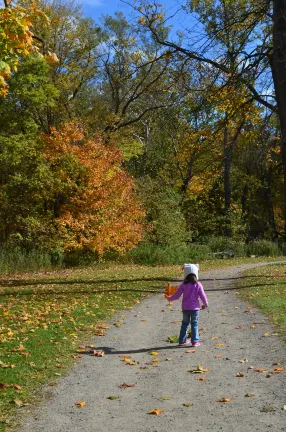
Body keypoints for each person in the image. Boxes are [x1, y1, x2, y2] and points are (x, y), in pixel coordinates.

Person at [166, 264, 208, 347]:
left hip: (185, 308)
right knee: (194, 324)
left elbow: (177, 295)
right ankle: (195, 341)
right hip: (195, 308)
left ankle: (182, 340)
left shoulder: (184, 284)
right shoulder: (198, 284)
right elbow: (203, 295)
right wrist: (205, 304)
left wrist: (169, 298)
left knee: (184, 324)